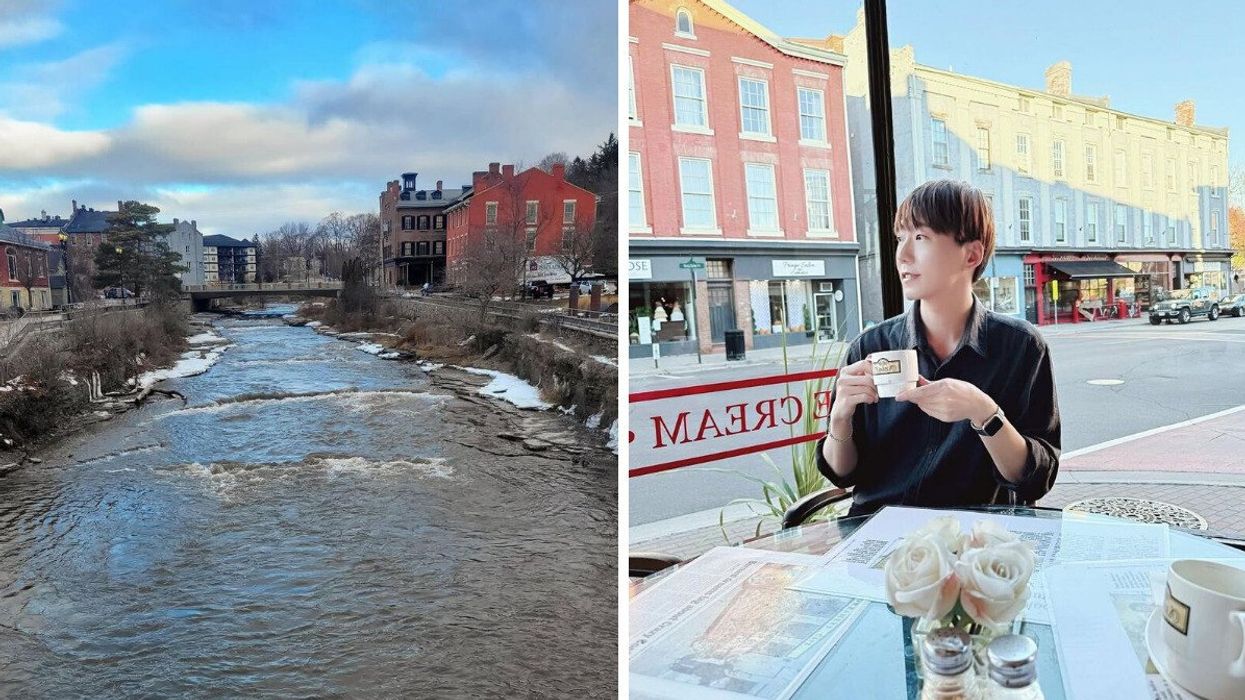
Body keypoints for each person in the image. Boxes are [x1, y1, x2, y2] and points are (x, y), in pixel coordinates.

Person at [818, 179, 1060, 517]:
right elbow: (842, 473)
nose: (903, 255)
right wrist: (840, 418)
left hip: (973, 540)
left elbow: (1036, 479)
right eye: (900, 238)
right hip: (880, 532)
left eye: (921, 237)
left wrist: (984, 412)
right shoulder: (872, 346)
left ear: (971, 254)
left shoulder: (1020, 347)